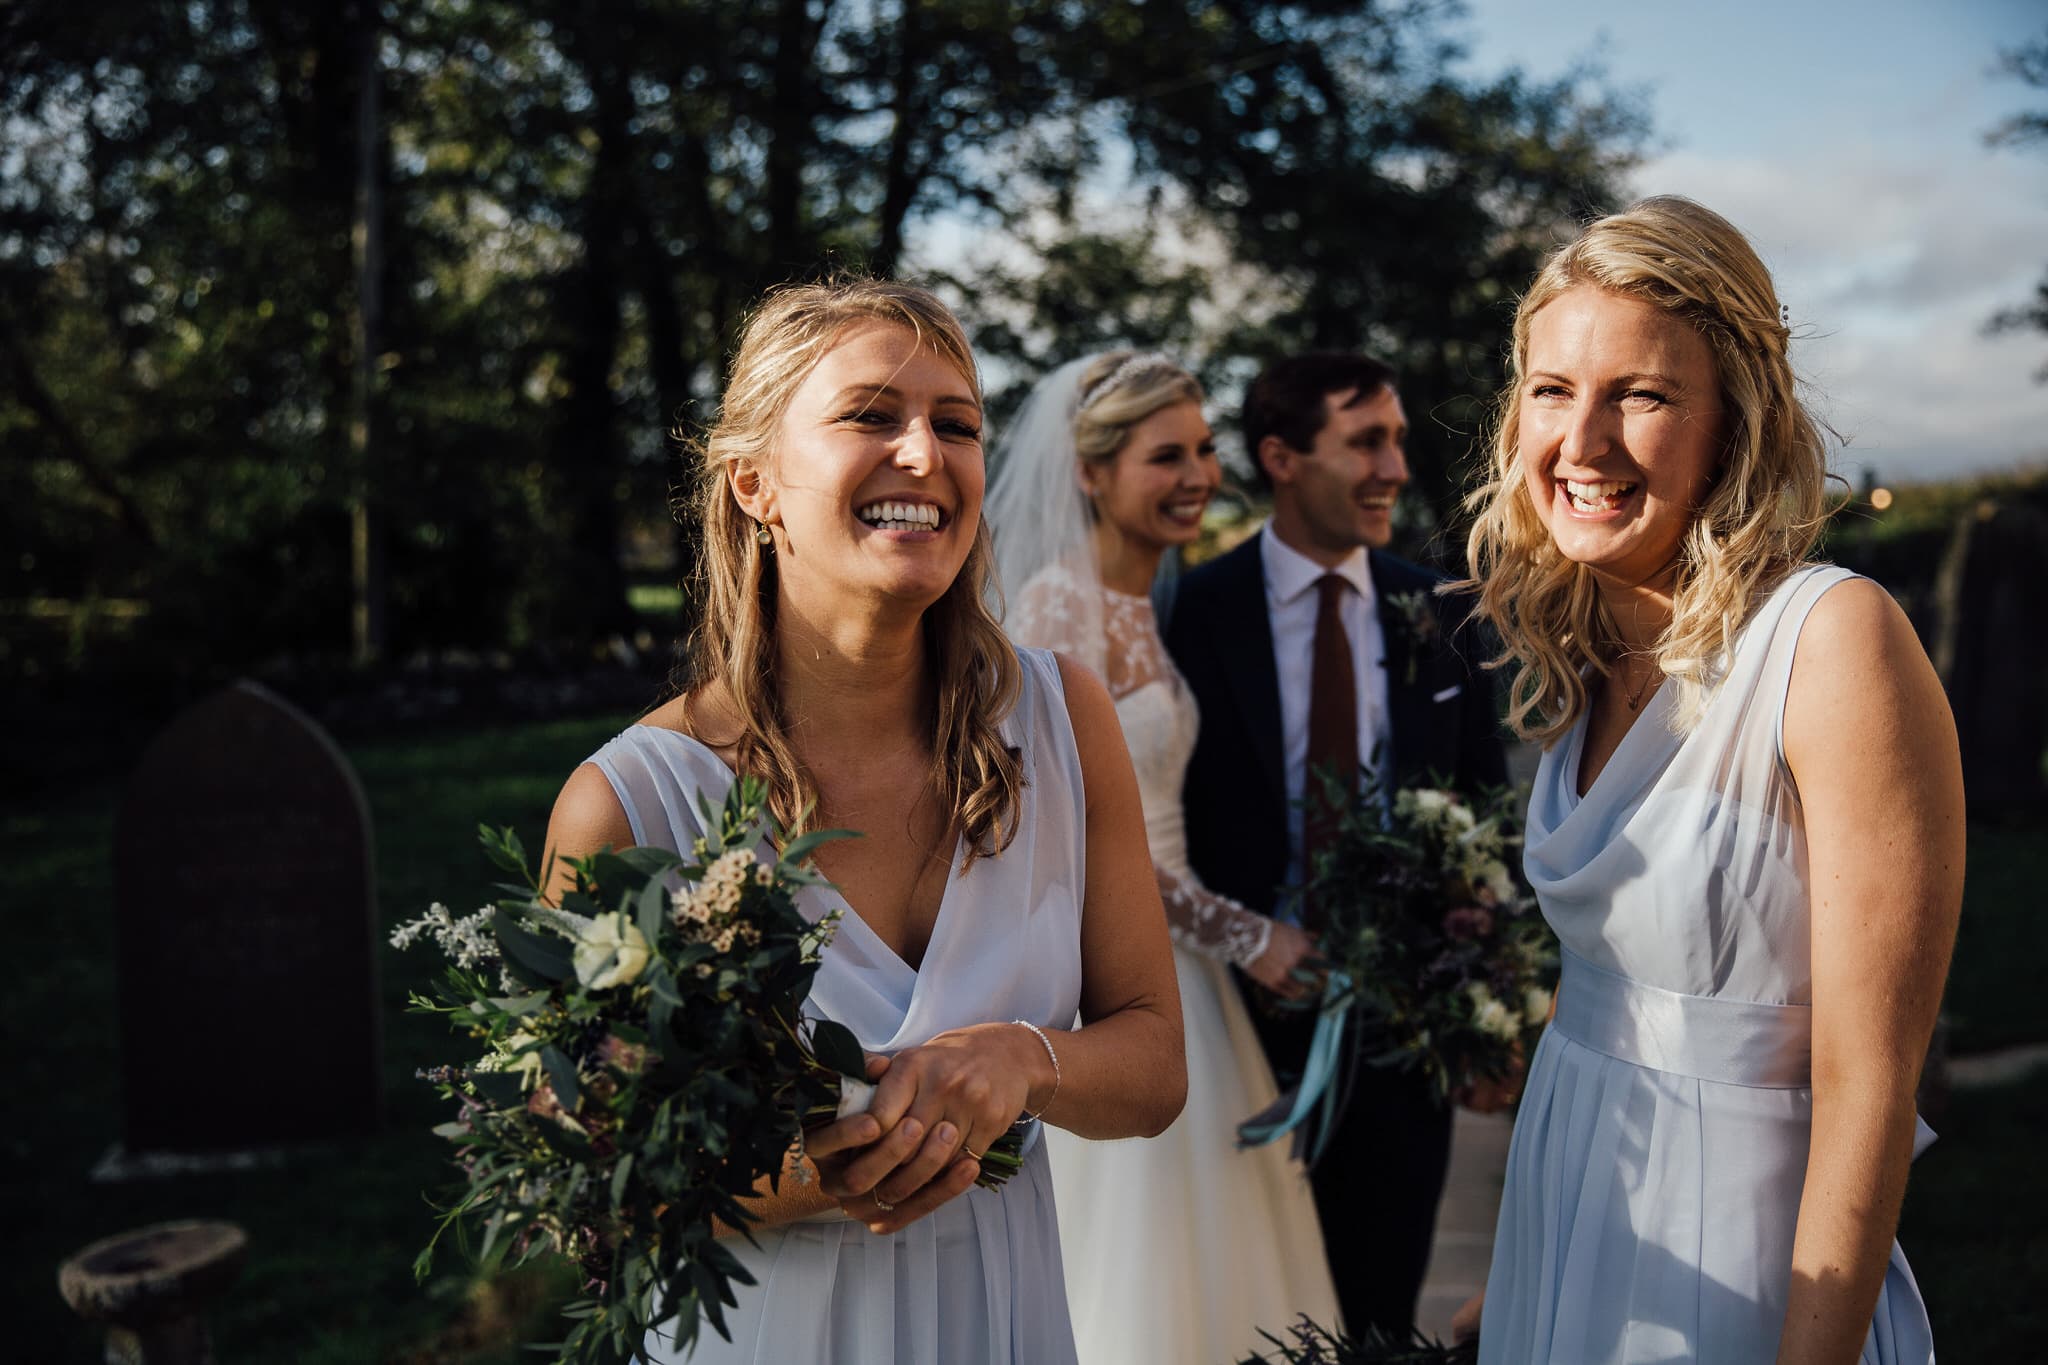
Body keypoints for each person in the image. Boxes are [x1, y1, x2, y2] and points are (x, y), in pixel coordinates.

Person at [541, 280, 1187, 1364]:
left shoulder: (1063, 719)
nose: (926, 457)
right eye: (869, 417)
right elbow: (581, 1185)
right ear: (753, 484)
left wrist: (1026, 1061)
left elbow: (1156, 1063)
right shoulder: (629, 805)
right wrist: (812, 1174)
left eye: (956, 424)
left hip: (1001, 1317)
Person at [1451, 196, 1959, 1362]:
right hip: (1565, 1212)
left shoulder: (1832, 642)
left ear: (1735, 417)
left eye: (1639, 395)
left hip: (1743, 1254)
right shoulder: (1580, 642)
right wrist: (1520, 1264)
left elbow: (1870, 1085)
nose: (1580, 445)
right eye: (1549, 390)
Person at [986, 351, 1342, 1364]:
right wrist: (1245, 934)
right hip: (1110, 972)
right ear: (1089, 473)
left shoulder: (1147, 599)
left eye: (1202, 450)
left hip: (1187, 974)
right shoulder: (1055, 612)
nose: (1195, 475)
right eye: (1162, 456)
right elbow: (1076, 842)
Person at [1164, 353, 1510, 1335]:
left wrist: (1480, 1000)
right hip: (1230, 1029)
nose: (1394, 468)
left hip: (1400, 1041)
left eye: (1395, 441)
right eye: (1365, 442)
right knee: (1240, 1312)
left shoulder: (1439, 611)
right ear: (1280, 456)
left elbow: (1480, 819)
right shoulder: (1189, 616)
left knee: (1376, 1314)